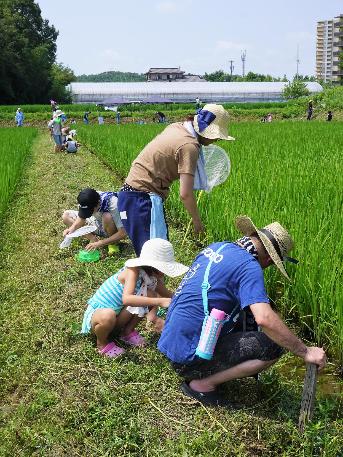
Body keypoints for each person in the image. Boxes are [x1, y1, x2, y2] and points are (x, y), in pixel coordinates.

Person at [158, 215, 327, 406]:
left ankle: (201, 368)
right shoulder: (249, 267)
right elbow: (264, 318)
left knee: (243, 315)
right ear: (270, 259)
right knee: (273, 345)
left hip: (169, 344)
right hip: (187, 359)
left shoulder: (216, 247)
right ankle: (202, 385)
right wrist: (304, 351)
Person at [118, 104, 235, 255]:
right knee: (155, 258)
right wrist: (197, 223)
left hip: (130, 195)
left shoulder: (177, 127)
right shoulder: (189, 146)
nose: (217, 140)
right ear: (206, 131)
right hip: (143, 200)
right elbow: (185, 194)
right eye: (216, 136)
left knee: (148, 256)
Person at [81, 238, 188, 357]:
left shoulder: (152, 277)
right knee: (108, 315)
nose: (164, 273)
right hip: (100, 317)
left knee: (150, 294)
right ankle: (102, 343)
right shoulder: (133, 271)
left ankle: (127, 331)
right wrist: (159, 301)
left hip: (118, 316)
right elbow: (127, 299)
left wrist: (186, 302)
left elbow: (168, 294)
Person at [62, 188, 126, 254]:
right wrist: (71, 229)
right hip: (97, 223)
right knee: (66, 216)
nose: (88, 213)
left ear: (98, 203)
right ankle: (93, 239)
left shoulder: (114, 204)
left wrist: (101, 243)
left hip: (111, 227)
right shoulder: (88, 199)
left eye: (90, 211)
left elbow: (123, 233)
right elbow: (82, 218)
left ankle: (112, 244)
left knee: (107, 216)